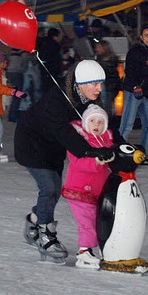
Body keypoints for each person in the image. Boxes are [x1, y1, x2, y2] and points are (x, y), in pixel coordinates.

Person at [16, 60, 121, 265]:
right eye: (95, 84)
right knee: (50, 188)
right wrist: (91, 152)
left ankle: (34, 222)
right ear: (81, 83)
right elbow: (65, 133)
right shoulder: (57, 99)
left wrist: (123, 146)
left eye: (101, 83)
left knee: (52, 191)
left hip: (53, 148)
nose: (100, 89)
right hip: (32, 144)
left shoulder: (86, 99)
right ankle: (45, 235)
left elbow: (101, 123)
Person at [61, 104, 114, 269]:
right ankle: (84, 252)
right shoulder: (79, 141)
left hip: (97, 192)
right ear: (85, 123)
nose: (96, 125)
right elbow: (78, 163)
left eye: (100, 122)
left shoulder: (106, 141)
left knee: (98, 222)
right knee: (87, 223)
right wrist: (97, 160)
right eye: (92, 121)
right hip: (79, 190)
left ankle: (98, 250)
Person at [118, 24, 148, 165]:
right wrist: (135, 87)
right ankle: (118, 153)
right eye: (147, 35)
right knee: (127, 124)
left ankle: (144, 153)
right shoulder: (135, 52)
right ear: (141, 37)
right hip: (133, 92)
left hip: (146, 94)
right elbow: (129, 72)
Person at [94, 39, 120, 120]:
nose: (97, 49)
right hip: (110, 87)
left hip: (108, 87)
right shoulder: (106, 59)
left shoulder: (106, 61)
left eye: (99, 47)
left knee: (106, 108)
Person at [38, 28, 63, 94]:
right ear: (55, 36)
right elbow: (56, 58)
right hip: (52, 69)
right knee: (53, 89)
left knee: (45, 88)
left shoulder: (43, 42)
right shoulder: (55, 45)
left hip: (43, 69)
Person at [7, 48, 28, 123]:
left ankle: (11, 115)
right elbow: (25, 58)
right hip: (17, 72)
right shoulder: (22, 48)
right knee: (17, 95)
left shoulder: (14, 48)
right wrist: (24, 68)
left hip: (12, 71)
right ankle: (13, 116)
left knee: (15, 94)